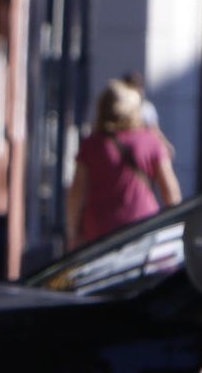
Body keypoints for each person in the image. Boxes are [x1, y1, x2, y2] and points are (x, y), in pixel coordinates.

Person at [65, 78, 183, 249]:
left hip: (99, 234)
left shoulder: (92, 145)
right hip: (143, 228)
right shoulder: (151, 142)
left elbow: (76, 191)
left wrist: (73, 233)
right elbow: (171, 193)